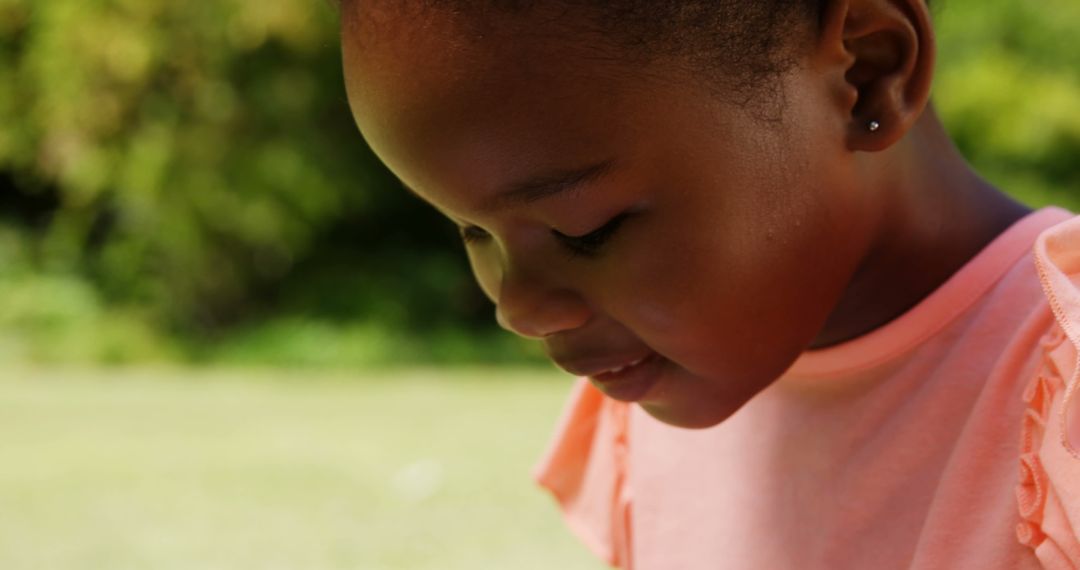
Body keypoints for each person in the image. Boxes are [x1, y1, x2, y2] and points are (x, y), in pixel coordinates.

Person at [337, 0, 1080, 567]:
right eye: (470, 230)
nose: (518, 308)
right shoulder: (645, 397)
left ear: (866, 74)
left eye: (583, 229)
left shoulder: (1061, 400)